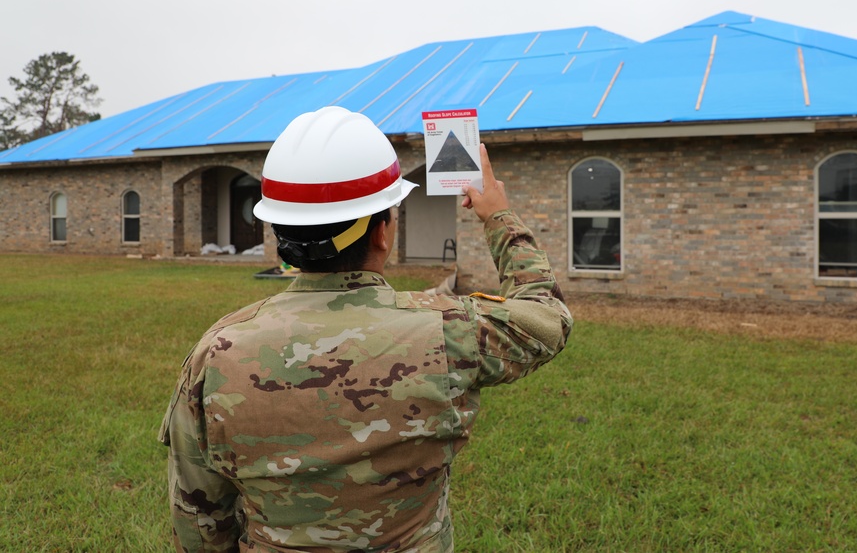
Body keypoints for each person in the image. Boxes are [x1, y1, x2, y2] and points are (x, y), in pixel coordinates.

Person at [159, 106, 572, 553]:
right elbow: (546, 317)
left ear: (280, 232)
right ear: (381, 233)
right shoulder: (446, 332)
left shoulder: (217, 353)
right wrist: (499, 218)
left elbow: (199, 518)